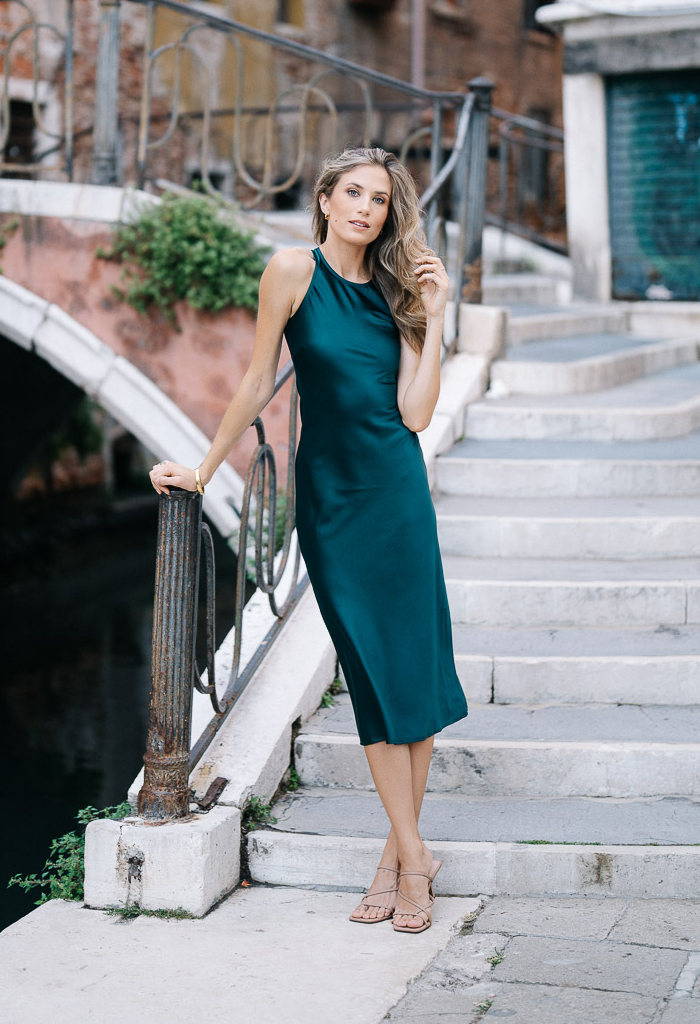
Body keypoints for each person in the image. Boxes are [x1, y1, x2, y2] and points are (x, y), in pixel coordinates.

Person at [149, 146, 468, 935]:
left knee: (410, 680)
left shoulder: (398, 292)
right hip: (331, 501)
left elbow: (418, 413)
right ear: (325, 199)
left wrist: (436, 321)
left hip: (396, 494)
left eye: (381, 200)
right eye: (353, 193)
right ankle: (412, 854)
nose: (366, 208)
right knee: (368, 674)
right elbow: (259, 379)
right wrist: (203, 465)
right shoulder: (291, 272)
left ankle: (399, 862)